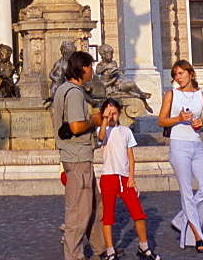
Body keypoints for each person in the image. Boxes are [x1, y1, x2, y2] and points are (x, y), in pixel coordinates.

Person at [53, 49, 106, 260]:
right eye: (90, 66)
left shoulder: (62, 89)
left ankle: (101, 249)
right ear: (83, 68)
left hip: (77, 156)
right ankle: (74, 255)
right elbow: (75, 127)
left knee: (93, 206)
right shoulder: (74, 93)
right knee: (78, 212)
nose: (92, 70)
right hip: (78, 157)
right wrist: (94, 121)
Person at [158, 59, 203, 252]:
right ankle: (198, 237)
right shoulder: (171, 94)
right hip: (179, 145)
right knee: (187, 192)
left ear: (191, 74)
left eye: (181, 73)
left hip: (197, 145)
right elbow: (161, 121)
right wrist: (178, 118)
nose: (178, 77)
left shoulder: (202, 96)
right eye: (175, 74)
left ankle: (182, 219)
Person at [98, 97, 161, 260]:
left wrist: (132, 177)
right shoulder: (102, 129)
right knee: (108, 215)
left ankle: (144, 246)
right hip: (108, 177)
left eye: (114, 113)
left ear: (119, 114)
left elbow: (131, 157)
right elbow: (100, 138)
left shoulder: (126, 131)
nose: (112, 116)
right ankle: (110, 250)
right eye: (108, 113)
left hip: (125, 177)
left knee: (138, 213)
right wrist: (104, 119)